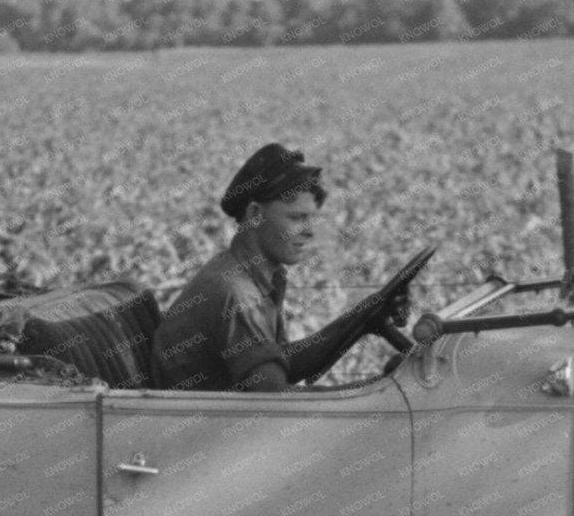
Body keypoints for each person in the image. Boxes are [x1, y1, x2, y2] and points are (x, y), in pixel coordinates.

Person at [152, 143, 410, 392]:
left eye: (311, 218)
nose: (309, 232)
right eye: (297, 218)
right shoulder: (237, 293)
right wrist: (378, 389)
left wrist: (361, 319)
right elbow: (276, 400)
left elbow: (278, 363)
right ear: (254, 215)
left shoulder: (252, 274)